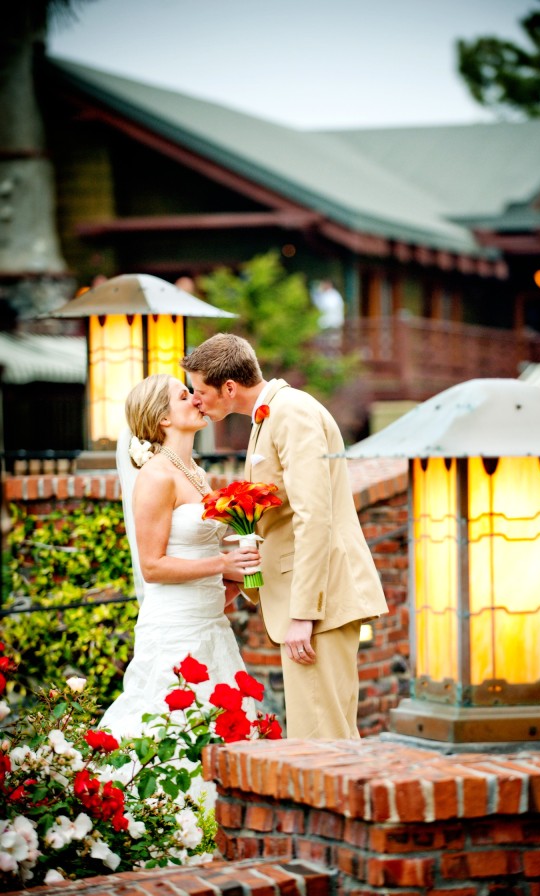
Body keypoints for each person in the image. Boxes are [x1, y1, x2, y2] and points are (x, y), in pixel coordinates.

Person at [181, 334, 388, 739]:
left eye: (199, 390)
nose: (196, 400)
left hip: (319, 606)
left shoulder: (290, 413)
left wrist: (303, 614)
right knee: (331, 737)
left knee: (320, 743)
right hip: (310, 602)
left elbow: (315, 517)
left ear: (228, 387)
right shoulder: (271, 415)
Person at [100, 373, 260, 741]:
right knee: (175, 736)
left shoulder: (197, 474)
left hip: (212, 625)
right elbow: (152, 566)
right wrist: (223, 563)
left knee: (222, 732)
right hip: (174, 630)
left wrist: (233, 582)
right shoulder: (156, 476)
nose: (196, 398)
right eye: (184, 395)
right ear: (164, 418)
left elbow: (194, 552)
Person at [311, 278, 345, 355]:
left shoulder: (334, 296)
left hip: (332, 324)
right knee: (322, 344)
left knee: (333, 344)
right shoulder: (323, 295)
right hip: (324, 325)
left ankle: (333, 362)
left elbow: (325, 307)